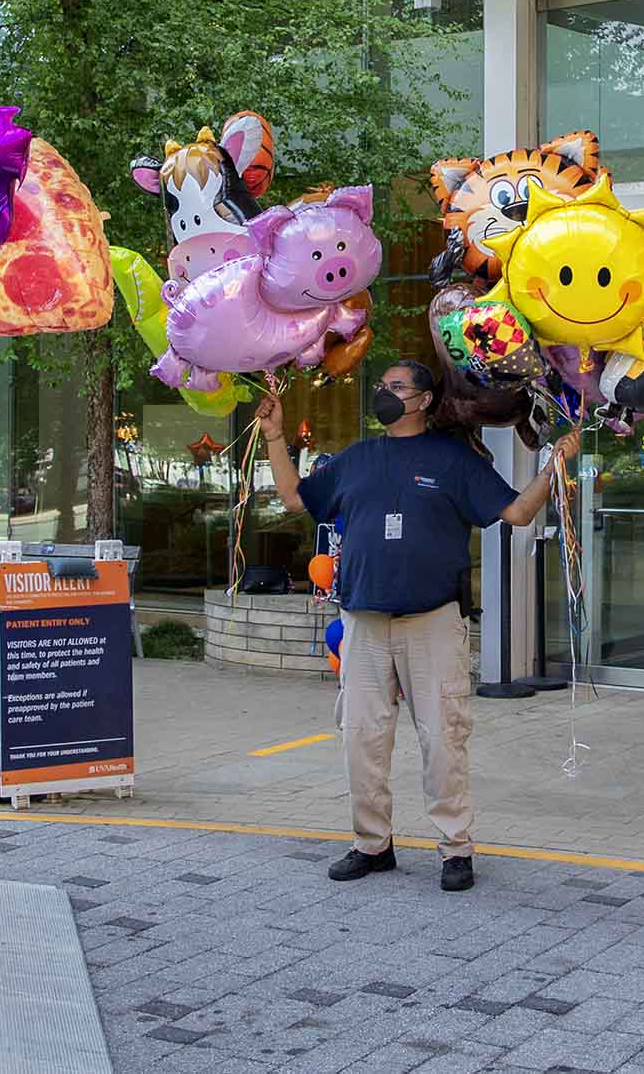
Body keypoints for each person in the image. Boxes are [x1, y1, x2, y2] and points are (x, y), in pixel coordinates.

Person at [262, 360, 578, 893]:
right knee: (360, 738)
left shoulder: (454, 461)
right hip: (362, 623)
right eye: (382, 386)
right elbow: (296, 497)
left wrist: (554, 466)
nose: (384, 394)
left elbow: (519, 513)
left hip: (432, 623)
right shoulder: (357, 459)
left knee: (443, 738)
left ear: (426, 400)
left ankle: (456, 849)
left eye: (396, 387)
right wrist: (274, 436)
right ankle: (372, 844)